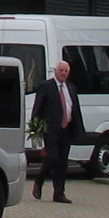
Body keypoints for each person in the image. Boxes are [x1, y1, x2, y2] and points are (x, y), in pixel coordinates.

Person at [31, 57, 81, 203]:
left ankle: (59, 193)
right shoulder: (46, 86)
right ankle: (39, 180)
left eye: (66, 71)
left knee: (62, 162)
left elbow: (74, 109)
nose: (63, 73)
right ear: (55, 71)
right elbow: (37, 108)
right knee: (51, 158)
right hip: (50, 130)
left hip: (66, 129)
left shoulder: (71, 88)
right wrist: (35, 129)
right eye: (61, 70)